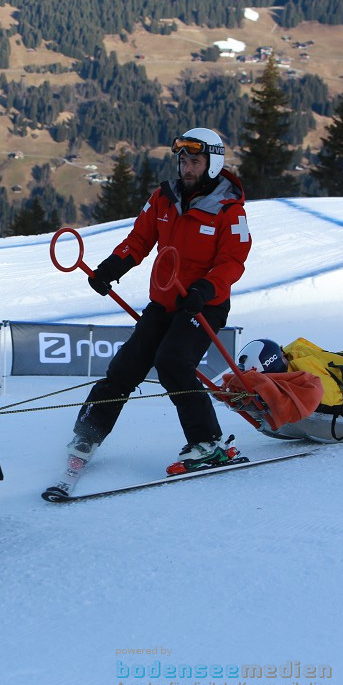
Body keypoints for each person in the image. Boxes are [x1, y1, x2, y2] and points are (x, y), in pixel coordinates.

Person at [66, 127, 252, 477]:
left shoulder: (229, 210)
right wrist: (111, 267)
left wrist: (206, 289)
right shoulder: (163, 198)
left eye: (195, 161)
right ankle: (87, 435)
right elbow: (139, 239)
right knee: (125, 367)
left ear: (212, 164)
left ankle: (208, 442)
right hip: (164, 301)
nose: (187, 168)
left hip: (203, 305)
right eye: (183, 161)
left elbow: (233, 261)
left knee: (173, 363)